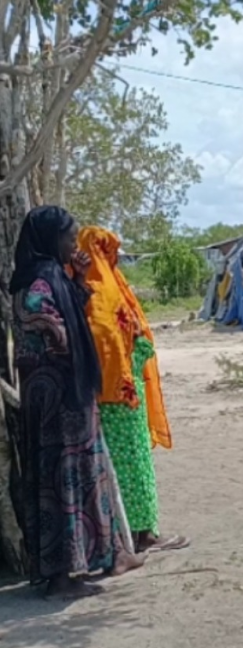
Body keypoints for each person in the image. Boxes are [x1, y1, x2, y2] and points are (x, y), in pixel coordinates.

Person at [11, 206, 144, 598]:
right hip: (59, 401)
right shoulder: (38, 282)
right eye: (68, 237)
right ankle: (61, 576)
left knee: (91, 472)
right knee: (65, 479)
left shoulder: (47, 276)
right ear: (50, 238)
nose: (74, 243)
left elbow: (69, 311)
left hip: (63, 395)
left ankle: (111, 554)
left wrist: (80, 279)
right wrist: (76, 343)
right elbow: (47, 324)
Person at [77, 226, 189, 553]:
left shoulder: (100, 285)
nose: (113, 258)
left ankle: (132, 533)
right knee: (132, 467)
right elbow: (104, 340)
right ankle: (142, 534)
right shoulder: (97, 290)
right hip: (118, 397)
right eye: (107, 250)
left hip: (119, 393)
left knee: (128, 465)